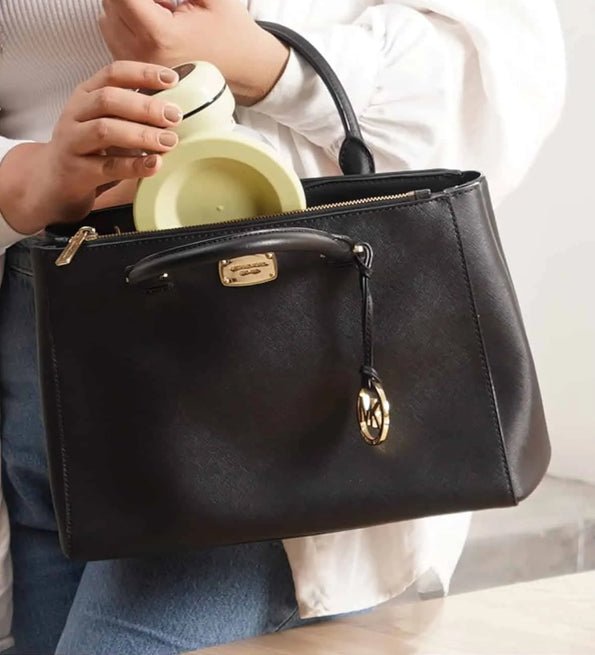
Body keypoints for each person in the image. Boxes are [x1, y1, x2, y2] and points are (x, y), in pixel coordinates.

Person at [0, 1, 565, 653]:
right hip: (41, 346)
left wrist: (267, 65)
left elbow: (506, 76)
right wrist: (25, 175)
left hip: (269, 370)